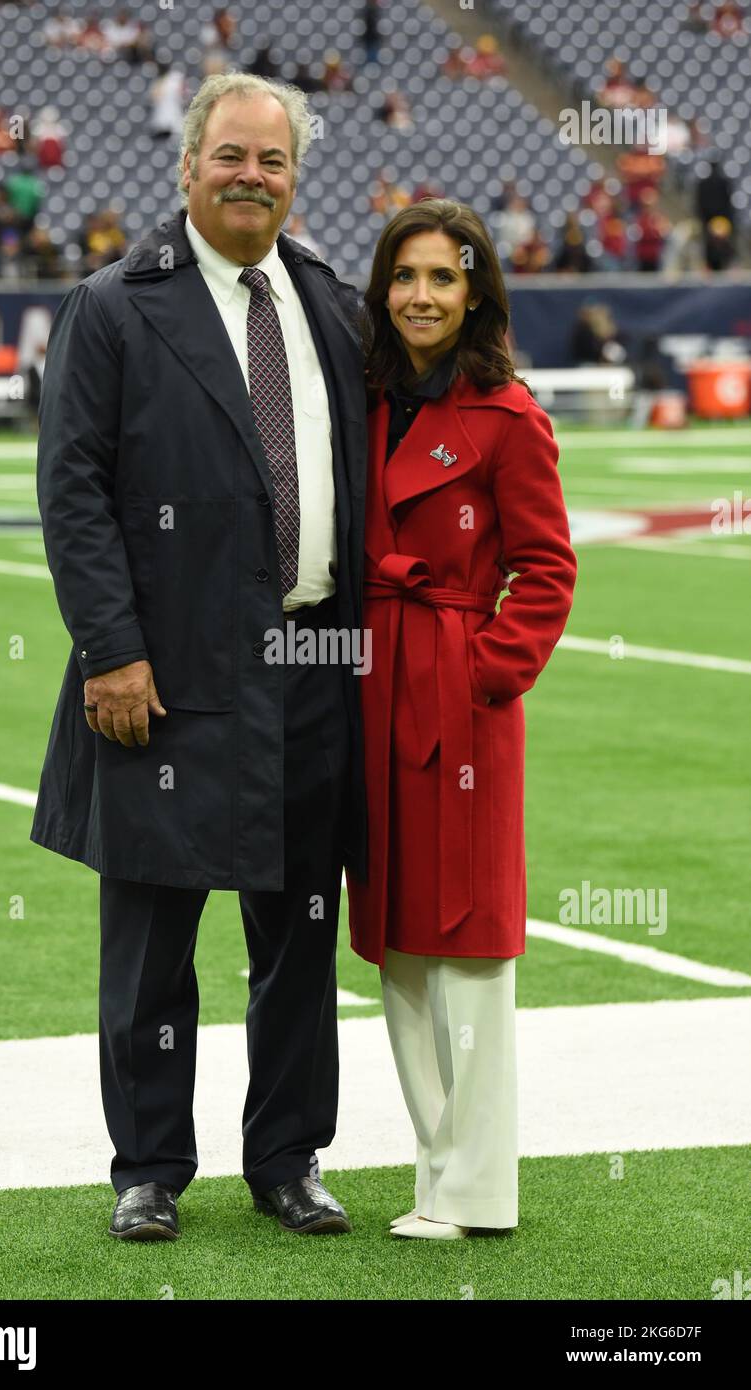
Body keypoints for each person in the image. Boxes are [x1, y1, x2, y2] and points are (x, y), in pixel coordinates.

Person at [30, 72, 368, 1242]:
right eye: (230, 157)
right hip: (165, 672)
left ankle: (287, 1156)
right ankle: (148, 1167)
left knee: (298, 935)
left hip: (316, 661)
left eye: (272, 162)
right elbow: (71, 492)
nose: (250, 178)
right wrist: (108, 651)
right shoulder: (117, 304)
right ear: (187, 167)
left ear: (293, 176)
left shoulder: (330, 300)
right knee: (152, 937)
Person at [345, 199, 576, 1238]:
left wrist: (479, 671)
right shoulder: (367, 399)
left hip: (453, 695)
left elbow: (546, 570)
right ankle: (435, 1174)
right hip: (366, 687)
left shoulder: (507, 411)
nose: (421, 297)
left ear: (476, 289)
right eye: (404, 277)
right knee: (395, 937)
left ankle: (477, 1188)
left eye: (443, 277)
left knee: (465, 944)